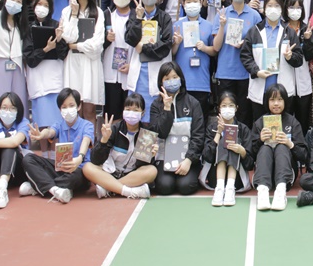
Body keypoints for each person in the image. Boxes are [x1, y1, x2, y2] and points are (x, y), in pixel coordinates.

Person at [84, 93, 172, 199]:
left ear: (142, 113)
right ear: (123, 111)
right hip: (109, 173)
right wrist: (104, 140)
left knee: (152, 170)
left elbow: (141, 165)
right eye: (128, 109)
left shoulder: (146, 134)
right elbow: (96, 160)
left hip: (131, 175)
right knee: (87, 167)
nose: (131, 113)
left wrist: (151, 156)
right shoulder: (114, 129)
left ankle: (109, 188)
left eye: (135, 110)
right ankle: (128, 191)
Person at [21, 88, 94, 204]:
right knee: (28, 159)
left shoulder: (87, 125)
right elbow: (50, 132)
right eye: (64, 107)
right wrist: (41, 134)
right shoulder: (59, 124)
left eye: (71, 105)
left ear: (79, 106)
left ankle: (39, 185)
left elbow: (86, 141)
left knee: (75, 177)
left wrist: (80, 157)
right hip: (60, 168)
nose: (68, 110)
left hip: (79, 169)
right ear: (60, 109)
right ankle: (55, 189)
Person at [241, 0, 303, 121]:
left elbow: (299, 59)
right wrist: (256, 71)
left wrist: (290, 57)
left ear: (282, 9)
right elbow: (245, 56)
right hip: (261, 91)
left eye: (277, 5)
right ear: (264, 8)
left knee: (283, 128)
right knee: (261, 128)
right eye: (270, 5)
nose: (273, 9)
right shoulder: (255, 31)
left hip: (283, 92)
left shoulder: (289, 32)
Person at [214, 0, 263, 127]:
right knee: (225, 112)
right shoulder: (222, 13)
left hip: (245, 72)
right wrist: (222, 26)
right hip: (225, 71)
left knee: (244, 114)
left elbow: (260, 44)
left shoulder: (254, 15)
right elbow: (216, 47)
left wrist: (245, 44)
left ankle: (243, 140)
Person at [151, 61, 206, 196]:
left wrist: (189, 160)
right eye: (167, 79)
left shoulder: (193, 103)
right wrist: (166, 109)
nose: (171, 81)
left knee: (185, 186)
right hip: (164, 157)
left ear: (181, 78)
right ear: (161, 82)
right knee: (165, 187)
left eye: (175, 77)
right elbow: (160, 133)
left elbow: (198, 135)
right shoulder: (156, 105)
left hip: (188, 156)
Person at [250, 84, 308, 211]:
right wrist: (260, 141)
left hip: (286, 176)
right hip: (264, 173)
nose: (276, 103)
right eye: (272, 100)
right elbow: (250, 157)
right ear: (267, 102)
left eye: (280, 99)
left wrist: (289, 144)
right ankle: (263, 192)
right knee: (265, 148)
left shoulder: (293, 123)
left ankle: (280, 193)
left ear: (285, 101)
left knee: (281, 147)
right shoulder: (260, 123)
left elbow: (304, 155)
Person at [22, 0, 68, 151]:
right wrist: (46, 49)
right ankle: (44, 157)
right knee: (41, 123)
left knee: (57, 124)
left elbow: (63, 54)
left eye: (46, 5)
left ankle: (56, 158)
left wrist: (59, 40)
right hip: (38, 81)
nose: (42, 8)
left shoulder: (57, 26)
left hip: (55, 80)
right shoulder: (29, 29)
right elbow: (30, 59)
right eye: (39, 4)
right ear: (34, 7)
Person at [125, 0, 174, 121]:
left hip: (158, 69)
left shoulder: (164, 17)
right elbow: (129, 38)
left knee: (155, 116)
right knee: (136, 111)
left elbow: (165, 45)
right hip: (139, 70)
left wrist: (142, 48)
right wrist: (138, 19)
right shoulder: (134, 14)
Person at [61, 0, 105, 123]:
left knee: (89, 110)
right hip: (73, 63)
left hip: (90, 62)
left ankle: (91, 138)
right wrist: (74, 15)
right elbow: (68, 37)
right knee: (74, 108)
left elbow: (97, 44)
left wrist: (76, 45)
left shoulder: (98, 12)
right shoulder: (66, 12)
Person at [172, 0, 221, 118]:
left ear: (200, 3)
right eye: (188, 2)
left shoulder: (208, 25)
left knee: (200, 120)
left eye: (195, 1)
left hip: (201, 82)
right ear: (183, 4)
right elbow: (172, 53)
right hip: (182, 82)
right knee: (182, 120)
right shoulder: (177, 25)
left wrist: (204, 48)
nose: (192, 5)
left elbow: (214, 51)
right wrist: (176, 43)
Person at [201, 92, 255, 207]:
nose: (227, 109)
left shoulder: (244, 129)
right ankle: (220, 189)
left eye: (231, 106)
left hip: (237, 180)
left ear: (236, 108)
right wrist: (218, 134)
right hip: (215, 178)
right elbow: (207, 156)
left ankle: (230, 189)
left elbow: (250, 164)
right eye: (224, 106)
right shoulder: (212, 128)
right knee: (223, 140)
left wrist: (242, 151)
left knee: (234, 141)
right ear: (219, 108)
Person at [102, 0, 136, 120]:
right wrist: (106, 39)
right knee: (112, 114)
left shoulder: (137, 16)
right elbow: (97, 44)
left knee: (131, 113)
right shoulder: (106, 15)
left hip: (131, 71)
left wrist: (132, 66)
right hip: (110, 73)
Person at [282, 0, 313, 130]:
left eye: (298, 8)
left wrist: (307, 40)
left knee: (303, 121)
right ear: (286, 9)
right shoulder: (282, 29)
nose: (295, 11)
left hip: (303, 82)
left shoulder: (306, 28)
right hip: (286, 80)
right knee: (286, 120)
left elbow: (310, 55)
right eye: (292, 7)